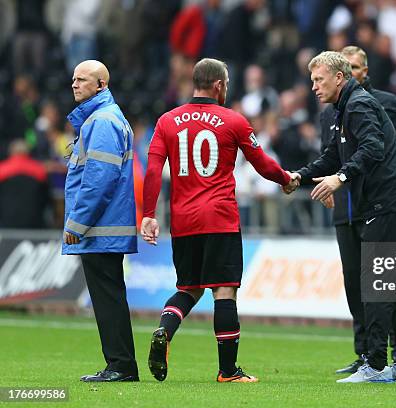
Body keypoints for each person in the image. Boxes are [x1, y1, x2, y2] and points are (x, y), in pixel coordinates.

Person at [141, 58, 297, 383]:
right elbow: (261, 163)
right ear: (219, 86)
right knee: (223, 291)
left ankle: (165, 330)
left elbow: (154, 170)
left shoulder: (167, 121)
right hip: (220, 218)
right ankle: (228, 371)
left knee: (188, 288)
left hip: (183, 221)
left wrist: (149, 215)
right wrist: (285, 179)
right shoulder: (233, 120)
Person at [285, 51, 396, 383]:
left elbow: (373, 148)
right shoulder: (345, 107)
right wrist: (300, 177)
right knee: (395, 288)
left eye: (319, 79)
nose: (314, 87)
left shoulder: (358, 104)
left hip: (387, 205)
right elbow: (333, 155)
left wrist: (341, 178)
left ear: (339, 77)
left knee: (376, 286)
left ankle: (376, 366)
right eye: (312, 80)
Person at [320, 45, 396, 375]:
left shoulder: (382, 104)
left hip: (382, 203)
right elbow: (332, 157)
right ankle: (366, 353)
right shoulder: (332, 111)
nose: (350, 72)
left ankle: (390, 356)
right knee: (357, 287)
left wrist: (394, 171)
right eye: (344, 66)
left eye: (355, 67)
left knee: (383, 285)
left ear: (364, 71)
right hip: (347, 209)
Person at [62, 60, 139, 382]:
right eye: (74, 79)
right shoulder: (101, 119)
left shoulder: (103, 121)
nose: (75, 84)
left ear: (101, 85)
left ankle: (120, 366)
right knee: (109, 296)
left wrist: (77, 223)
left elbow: (99, 177)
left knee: (107, 298)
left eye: (83, 80)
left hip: (100, 227)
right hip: (105, 225)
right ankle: (120, 364)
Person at [0, 139, 51, 229]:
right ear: (27, 153)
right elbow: (46, 198)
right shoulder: (39, 170)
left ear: (11, 152)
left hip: (6, 222)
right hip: (34, 222)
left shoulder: (2, 169)